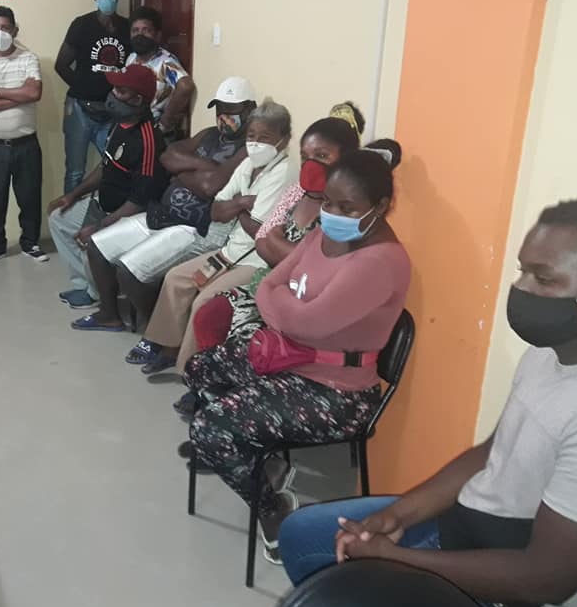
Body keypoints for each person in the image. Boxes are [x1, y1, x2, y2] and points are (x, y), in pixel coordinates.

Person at [278, 199, 577, 607]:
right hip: (463, 530)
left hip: (523, 606)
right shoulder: (547, 354)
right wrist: (398, 516)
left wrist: (395, 559)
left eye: (543, 279)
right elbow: (491, 453)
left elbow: (546, 578)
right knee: (302, 538)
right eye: (522, 271)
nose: (521, 289)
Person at [185, 150, 410, 553]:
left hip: (337, 393)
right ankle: (259, 458)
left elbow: (306, 322)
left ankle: (276, 513)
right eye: (329, 202)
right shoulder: (325, 236)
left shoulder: (380, 261)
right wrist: (289, 310)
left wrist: (285, 309)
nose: (333, 213)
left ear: (379, 207)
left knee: (210, 430)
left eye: (348, 207)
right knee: (200, 368)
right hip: (289, 359)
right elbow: (270, 283)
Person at [132, 117, 361, 375]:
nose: (311, 164)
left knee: (205, 303)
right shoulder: (296, 191)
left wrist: (261, 229)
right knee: (176, 278)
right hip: (239, 253)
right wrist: (245, 207)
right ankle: (167, 348)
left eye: (322, 155)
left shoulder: (340, 207)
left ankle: (190, 371)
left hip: (262, 268)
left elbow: (300, 256)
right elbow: (242, 224)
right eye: (305, 156)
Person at [82, 77, 257, 334]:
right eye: (220, 109)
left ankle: (157, 331)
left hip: (195, 227)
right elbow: (167, 155)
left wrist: (182, 173)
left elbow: (210, 187)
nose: (224, 116)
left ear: (250, 109)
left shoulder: (248, 149)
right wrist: (205, 168)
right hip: (162, 214)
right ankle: (109, 315)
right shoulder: (209, 135)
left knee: (130, 271)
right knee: (97, 246)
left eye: (231, 110)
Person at [48, 64, 168, 311]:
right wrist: (73, 195)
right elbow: (105, 166)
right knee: (58, 219)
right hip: (101, 204)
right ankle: (86, 286)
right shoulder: (120, 123)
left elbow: (139, 201)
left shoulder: (147, 139)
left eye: (120, 91)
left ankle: (100, 293)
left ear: (137, 99)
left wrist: (100, 226)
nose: (112, 95)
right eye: (113, 88)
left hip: (126, 216)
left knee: (90, 245)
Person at [0, 6, 46, 265]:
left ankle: (30, 242)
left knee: (30, 197)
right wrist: (17, 96)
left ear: (15, 30)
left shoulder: (28, 59)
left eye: (5, 27)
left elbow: (34, 93)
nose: (0, 32)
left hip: (26, 143)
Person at [55, 0, 130, 193]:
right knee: (75, 171)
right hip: (80, 108)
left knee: (116, 165)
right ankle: (70, 216)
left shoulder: (127, 28)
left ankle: (108, 212)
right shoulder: (81, 24)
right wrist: (84, 87)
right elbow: (61, 65)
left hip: (113, 111)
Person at [125, 6, 195, 142]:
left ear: (157, 35)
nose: (140, 35)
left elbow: (186, 86)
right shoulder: (131, 58)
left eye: (146, 30)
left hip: (155, 135)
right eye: (135, 31)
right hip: (133, 129)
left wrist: (164, 123)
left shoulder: (165, 63)